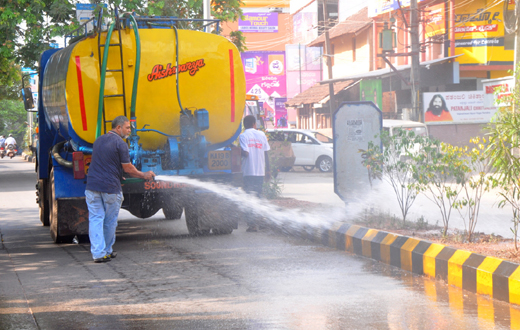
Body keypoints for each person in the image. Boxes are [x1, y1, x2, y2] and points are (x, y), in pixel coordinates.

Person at [86, 116, 155, 263]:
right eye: (127, 128)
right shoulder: (120, 144)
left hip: (92, 187)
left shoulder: (99, 140)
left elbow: (105, 162)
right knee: (110, 221)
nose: (130, 130)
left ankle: (98, 253)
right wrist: (144, 175)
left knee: (96, 219)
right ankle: (107, 251)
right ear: (118, 128)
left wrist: (118, 174)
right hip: (110, 188)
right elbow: (128, 168)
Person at [239, 115, 270, 232]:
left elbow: (245, 153)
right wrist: (268, 170)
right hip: (260, 172)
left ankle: (252, 224)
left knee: (249, 198)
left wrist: (236, 150)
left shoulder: (243, 136)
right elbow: (266, 153)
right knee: (257, 196)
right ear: (254, 124)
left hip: (248, 172)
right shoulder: (261, 135)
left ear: (244, 125)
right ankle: (262, 221)